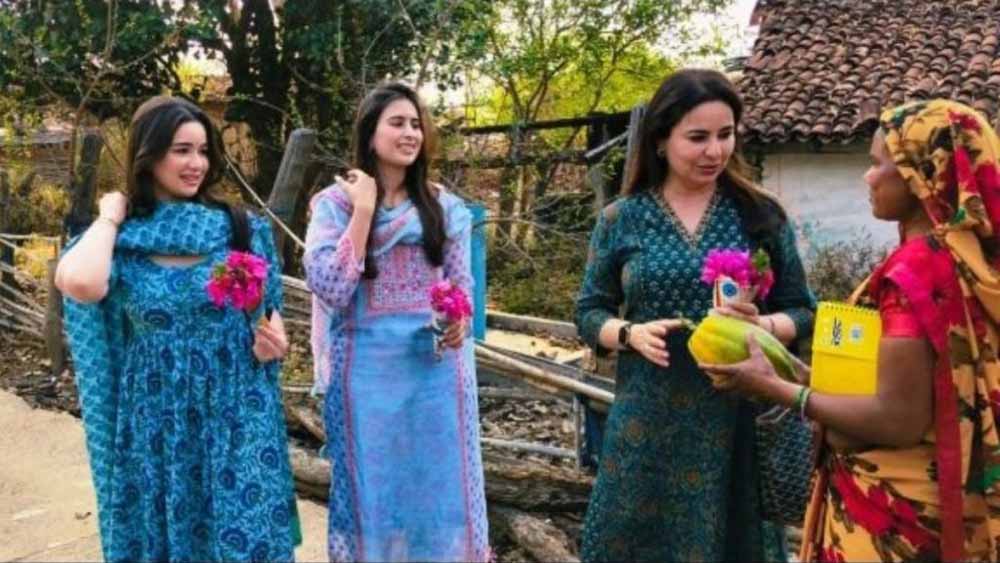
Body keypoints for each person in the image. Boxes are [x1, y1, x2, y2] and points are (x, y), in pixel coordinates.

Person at [700, 99, 1000, 561]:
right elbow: (905, 383)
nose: (868, 177)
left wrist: (779, 390)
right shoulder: (969, 265)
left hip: (893, 514)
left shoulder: (916, 272)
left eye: (879, 164)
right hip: (946, 493)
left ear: (922, 174)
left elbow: (896, 418)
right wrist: (791, 369)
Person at [573, 68, 815, 561]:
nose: (715, 151)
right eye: (698, 137)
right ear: (661, 141)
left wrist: (762, 325)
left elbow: (804, 310)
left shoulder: (760, 214)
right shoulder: (622, 218)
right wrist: (629, 333)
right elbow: (588, 310)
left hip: (737, 416)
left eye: (726, 135)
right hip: (646, 418)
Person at [57, 96, 298, 562]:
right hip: (158, 422)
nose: (196, 164)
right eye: (181, 150)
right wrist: (110, 216)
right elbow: (81, 285)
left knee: (245, 539)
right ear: (147, 156)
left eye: (203, 151)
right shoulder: (120, 241)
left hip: (236, 410)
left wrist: (274, 343)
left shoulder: (240, 229)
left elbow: (271, 320)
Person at [304, 82, 488, 562]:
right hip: (364, 380)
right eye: (398, 123)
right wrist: (365, 210)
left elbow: (462, 287)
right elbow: (331, 287)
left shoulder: (445, 208)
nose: (410, 133)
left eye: (416, 125)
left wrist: (458, 320)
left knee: (437, 491)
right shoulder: (335, 205)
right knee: (372, 492)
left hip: (435, 375)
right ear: (371, 133)